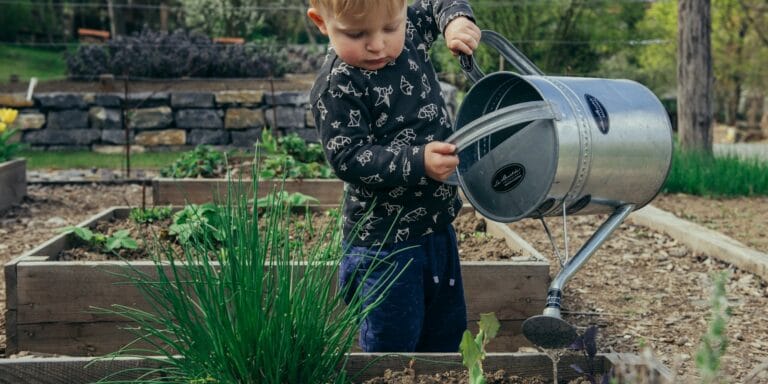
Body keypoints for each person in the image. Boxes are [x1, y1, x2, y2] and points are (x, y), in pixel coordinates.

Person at [306, 0, 481, 352]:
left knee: (445, 336)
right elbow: (348, 156)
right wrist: (418, 162)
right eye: (356, 33)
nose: (377, 44)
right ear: (322, 23)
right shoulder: (338, 84)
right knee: (392, 347)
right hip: (384, 246)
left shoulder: (410, 28)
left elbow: (439, 3)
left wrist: (455, 20)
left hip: (438, 230)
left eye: (390, 28)